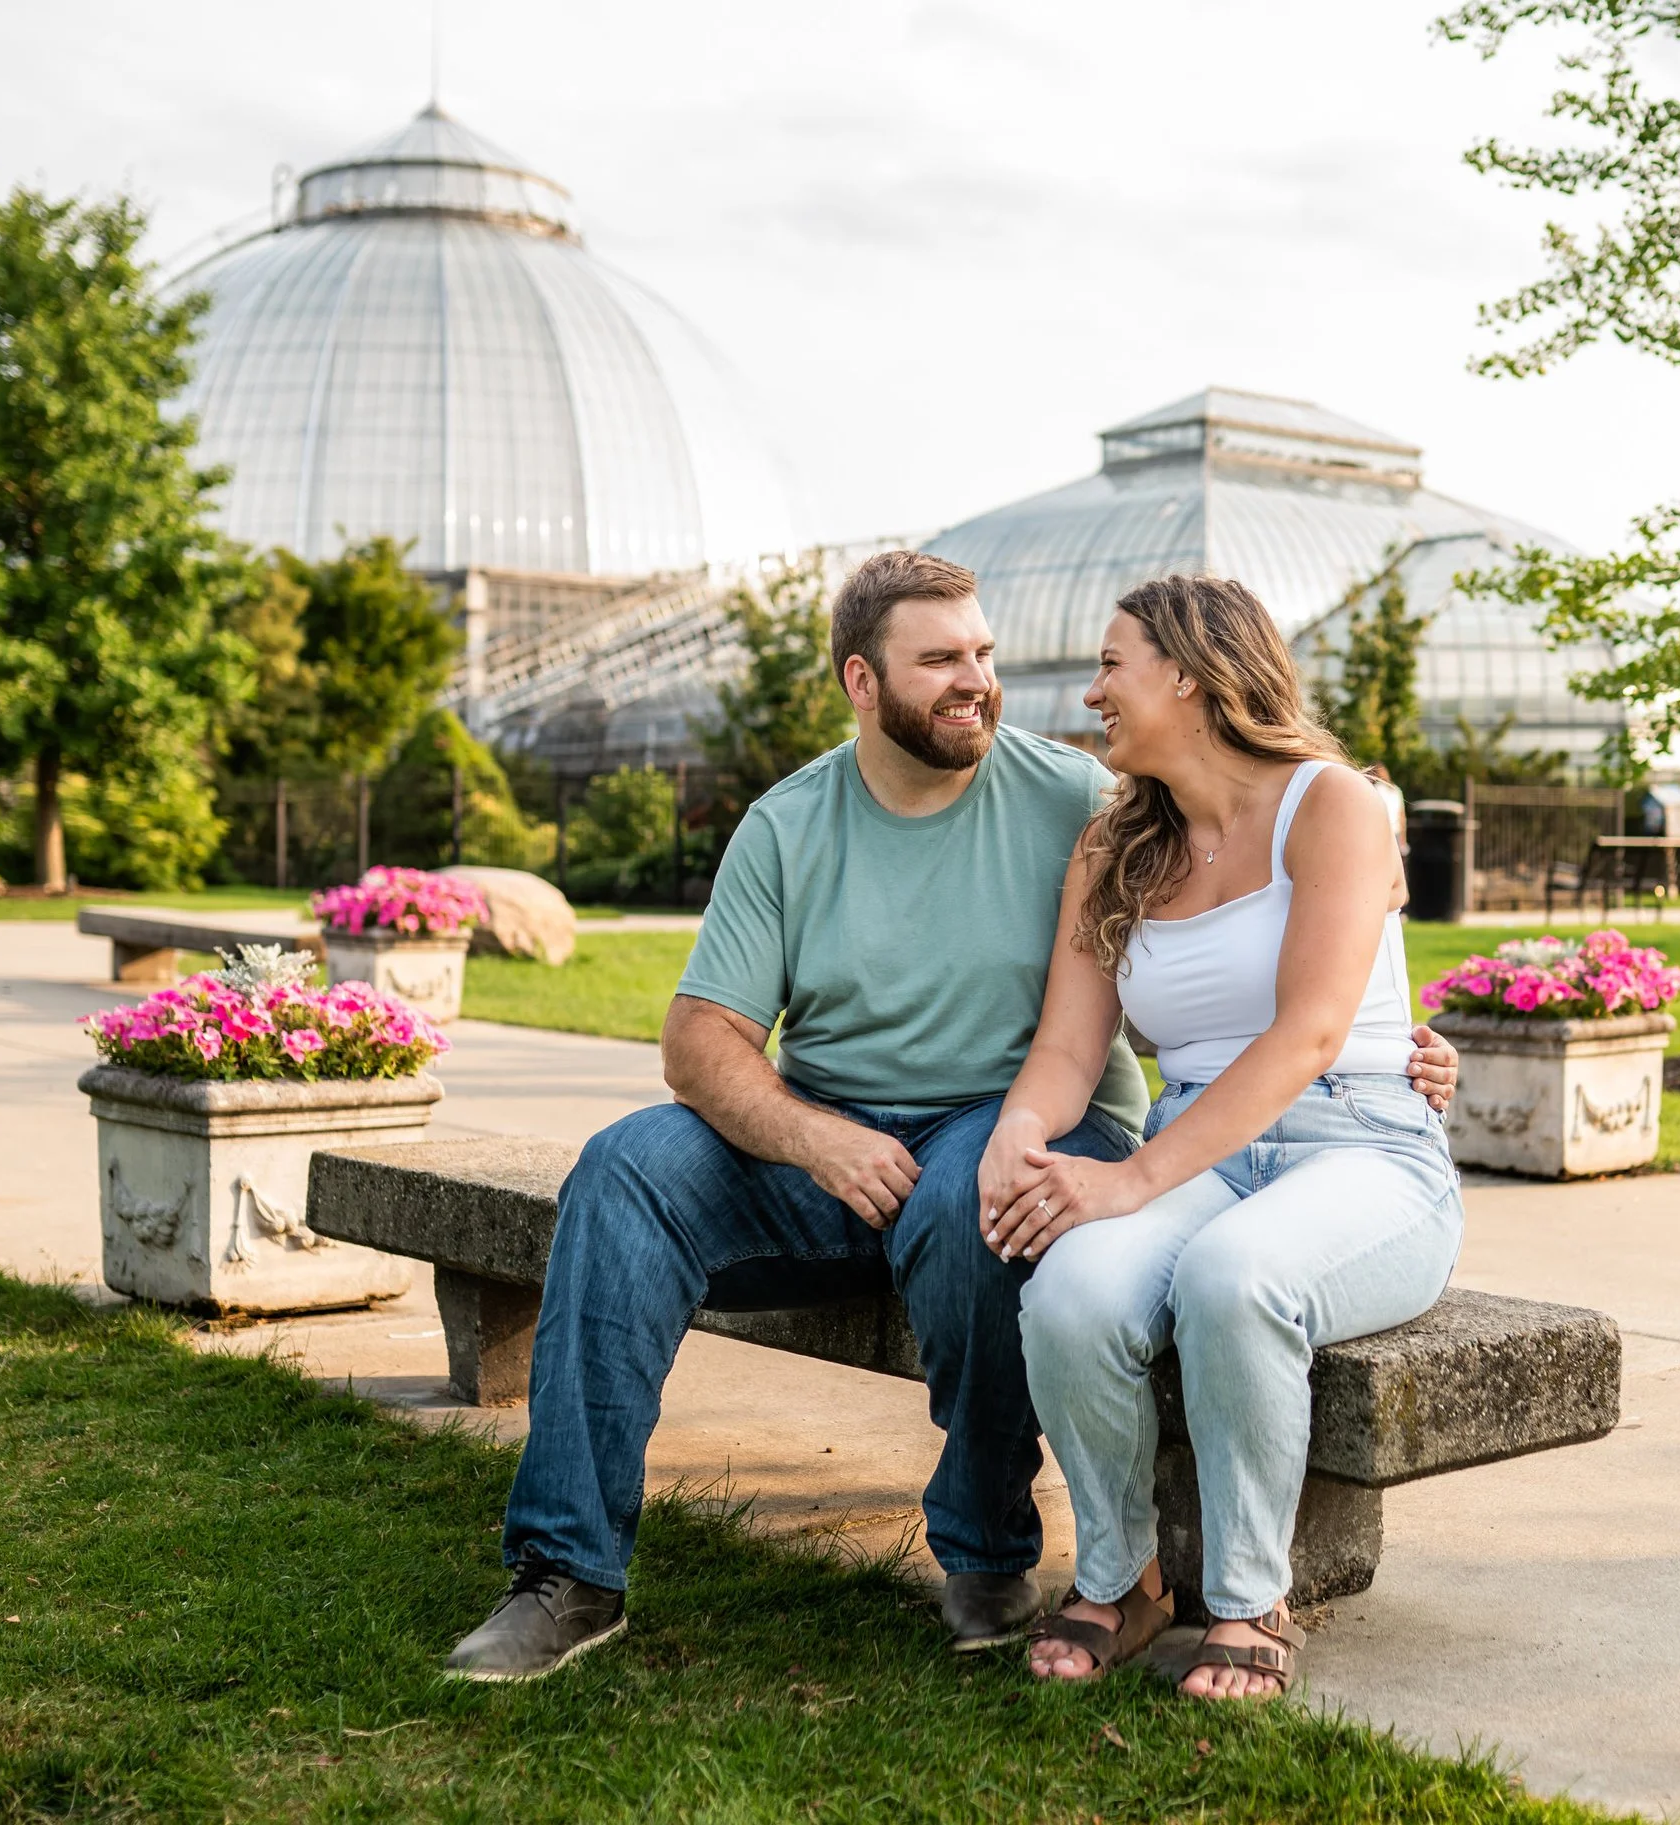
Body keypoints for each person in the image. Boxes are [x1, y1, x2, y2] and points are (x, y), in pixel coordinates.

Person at [442, 551, 1461, 1682]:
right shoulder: (796, 823)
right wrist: (815, 1137)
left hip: (1010, 1134)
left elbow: (1295, 944)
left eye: (983, 652)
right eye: (940, 659)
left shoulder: (1085, 796)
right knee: (623, 1168)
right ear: (862, 682)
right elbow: (698, 1041)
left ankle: (986, 1552)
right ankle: (567, 1574)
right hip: (837, 1139)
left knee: (974, 1190)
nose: (979, 678)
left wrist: (1393, 1043)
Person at [980, 574, 1464, 1702]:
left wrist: (1129, 1180)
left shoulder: (1332, 804)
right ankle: (1125, 1579)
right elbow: (1068, 1044)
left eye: (1113, 664)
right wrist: (1019, 1131)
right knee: (1069, 1293)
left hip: (1363, 1146)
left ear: (1190, 676)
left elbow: (1310, 1032)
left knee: (1234, 1277)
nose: (1092, 691)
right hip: (1201, 1146)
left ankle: (1250, 1601)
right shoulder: (1113, 848)